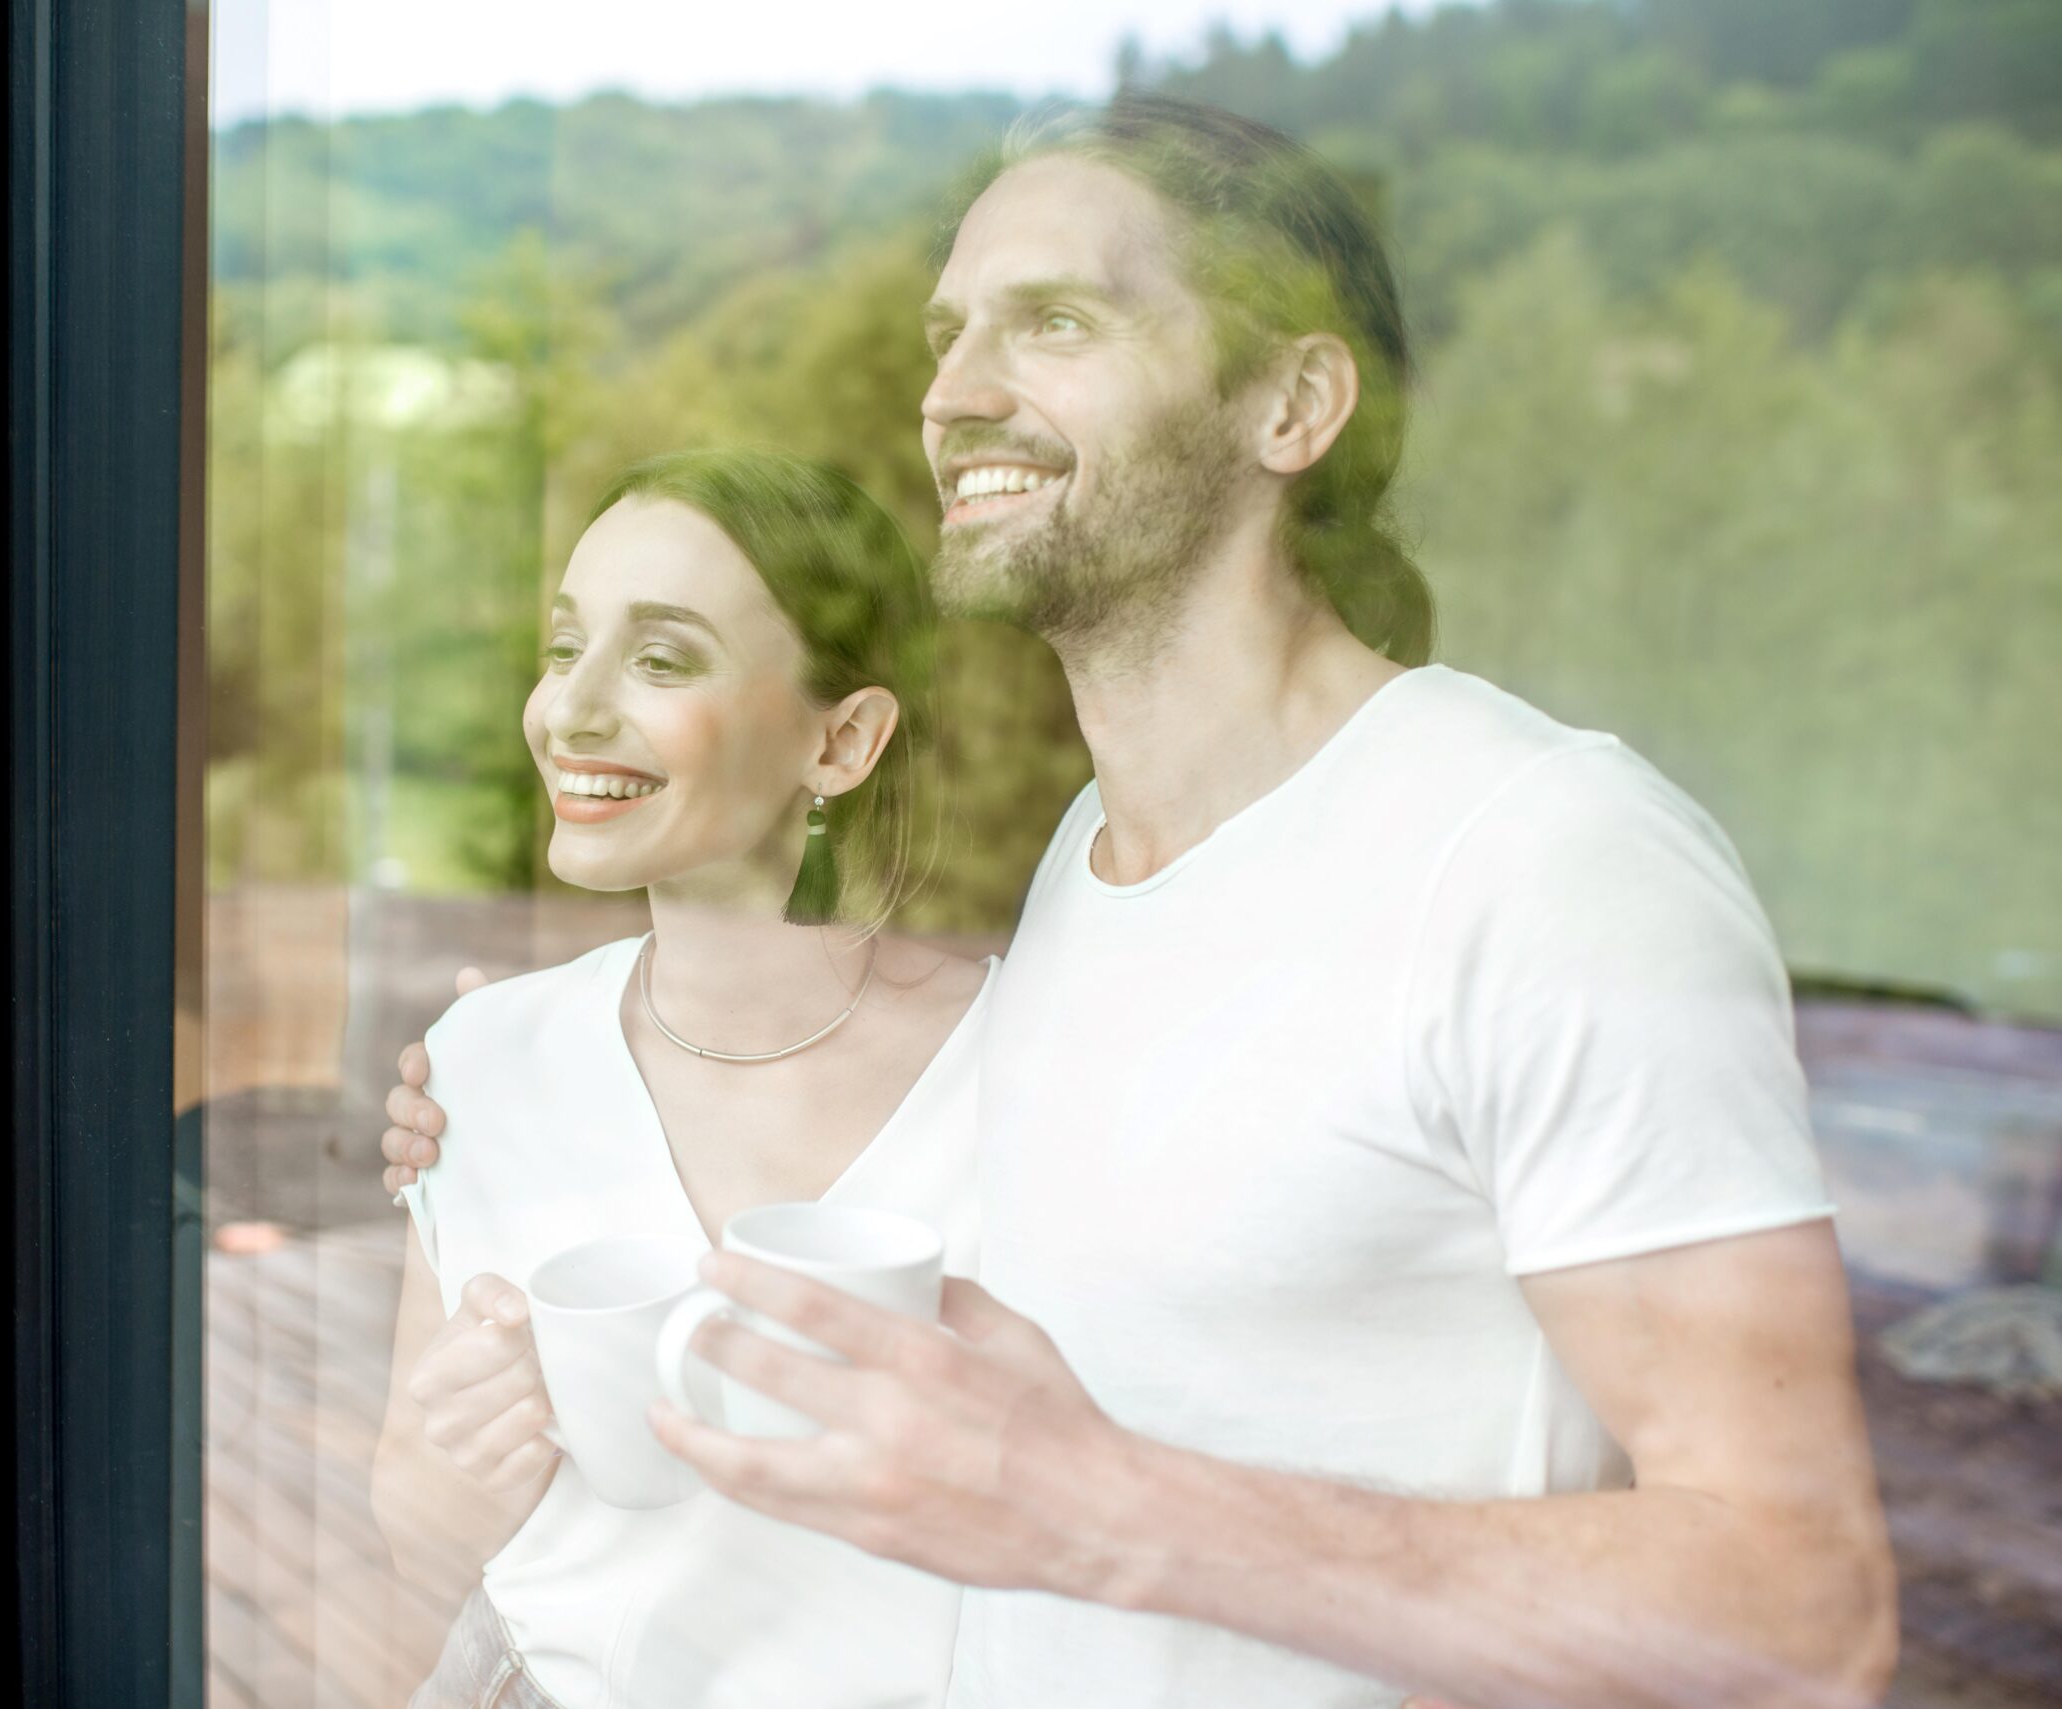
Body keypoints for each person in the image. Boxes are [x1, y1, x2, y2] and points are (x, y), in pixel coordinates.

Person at [382, 97, 1899, 1709]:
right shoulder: (1094, 867)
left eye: (1054, 322)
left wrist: (1091, 1507)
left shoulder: (1545, 857)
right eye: (948, 335)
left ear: (1293, 402)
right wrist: (499, 1082)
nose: (955, 395)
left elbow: (1802, 1617)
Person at [370, 447, 996, 1709]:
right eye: (564, 649)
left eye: (659, 659)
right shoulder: (486, 1060)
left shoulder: (1020, 1068)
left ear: (843, 740)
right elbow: (418, 1526)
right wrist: (464, 1459)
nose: (572, 709)